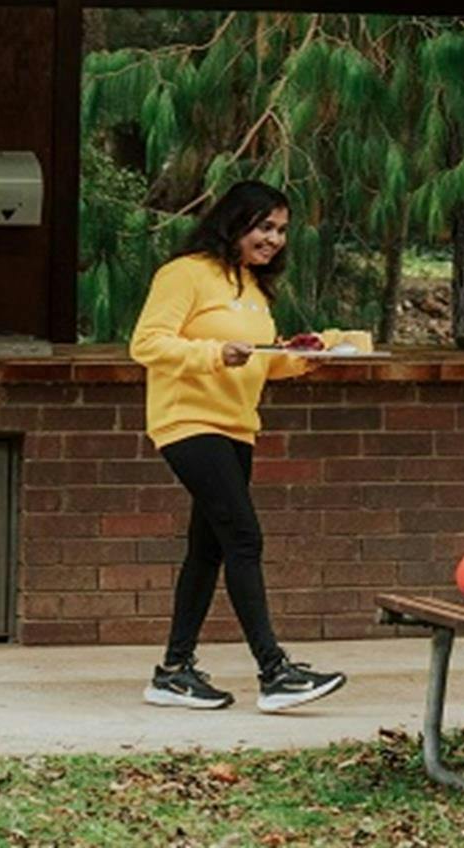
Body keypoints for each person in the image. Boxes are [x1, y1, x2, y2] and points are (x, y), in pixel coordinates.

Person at [129, 179, 346, 714]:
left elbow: (257, 359)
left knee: (209, 548)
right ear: (233, 222)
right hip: (187, 422)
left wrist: (302, 358)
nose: (273, 240)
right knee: (244, 537)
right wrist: (210, 354)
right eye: (263, 227)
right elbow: (147, 343)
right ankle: (275, 673)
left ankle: (173, 672)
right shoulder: (185, 273)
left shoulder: (253, 289)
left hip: (236, 426)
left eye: (280, 231)